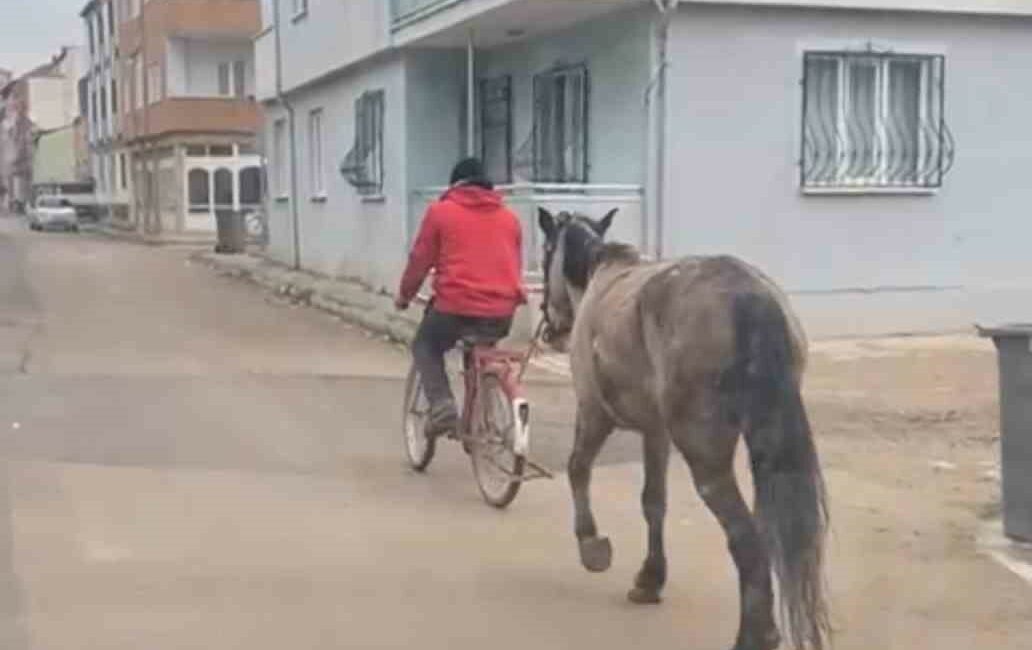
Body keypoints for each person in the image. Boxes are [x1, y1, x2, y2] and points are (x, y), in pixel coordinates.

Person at [395, 158, 526, 437]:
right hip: (502, 310)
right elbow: (513, 263)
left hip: (455, 306)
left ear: (455, 185)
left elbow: (420, 260)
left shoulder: (441, 212)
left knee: (425, 345)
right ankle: (474, 424)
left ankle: (442, 406)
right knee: (480, 352)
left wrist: (404, 296)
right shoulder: (510, 218)